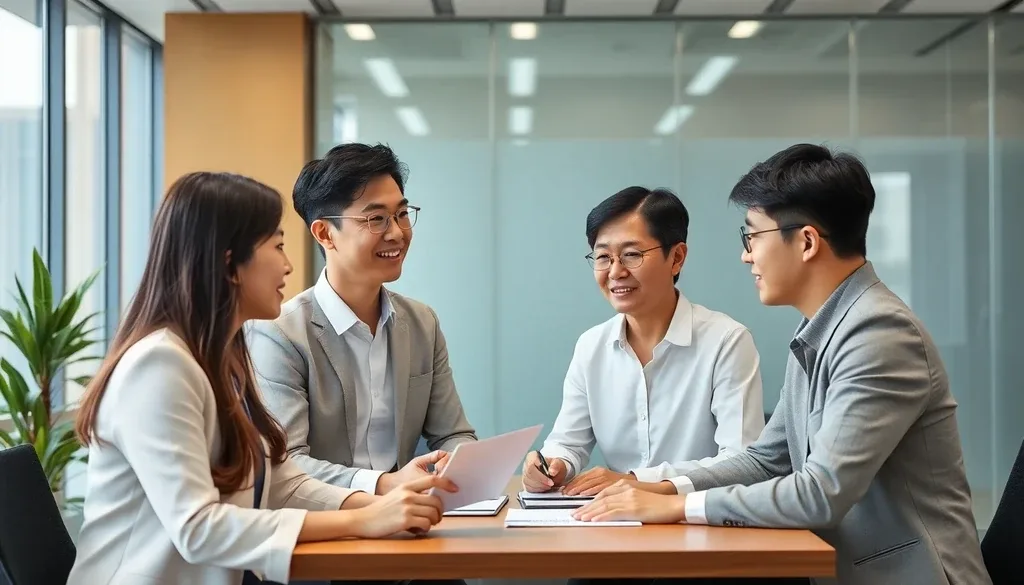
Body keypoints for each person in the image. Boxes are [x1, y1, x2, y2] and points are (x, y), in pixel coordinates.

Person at [572, 145, 992, 585]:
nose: (746, 255)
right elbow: (765, 461)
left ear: (807, 241)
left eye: (752, 236)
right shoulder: (820, 328)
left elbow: (820, 494)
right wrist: (656, 487)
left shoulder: (880, 333)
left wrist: (677, 506)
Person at [67, 172, 456, 585]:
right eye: (278, 245)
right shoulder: (159, 366)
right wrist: (362, 520)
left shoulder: (220, 357)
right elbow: (199, 529)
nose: (288, 264)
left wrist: (377, 506)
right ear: (229, 263)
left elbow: (280, 478)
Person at [249, 143, 476, 497]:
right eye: (376, 219)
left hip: (409, 519)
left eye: (402, 214)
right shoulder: (280, 333)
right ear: (325, 233)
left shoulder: (421, 323)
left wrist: (457, 464)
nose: (397, 233)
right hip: (326, 525)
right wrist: (385, 485)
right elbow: (286, 463)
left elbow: (453, 433)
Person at [522, 187, 765, 497]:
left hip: (699, 521)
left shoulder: (727, 341)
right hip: (617, 522)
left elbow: (742, 461)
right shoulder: (591, 346)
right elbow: (569, 443)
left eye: (631, 255)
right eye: (603, 257)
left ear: (676, 258)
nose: (615, 272)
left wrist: (639, 480)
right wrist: (552, 465)